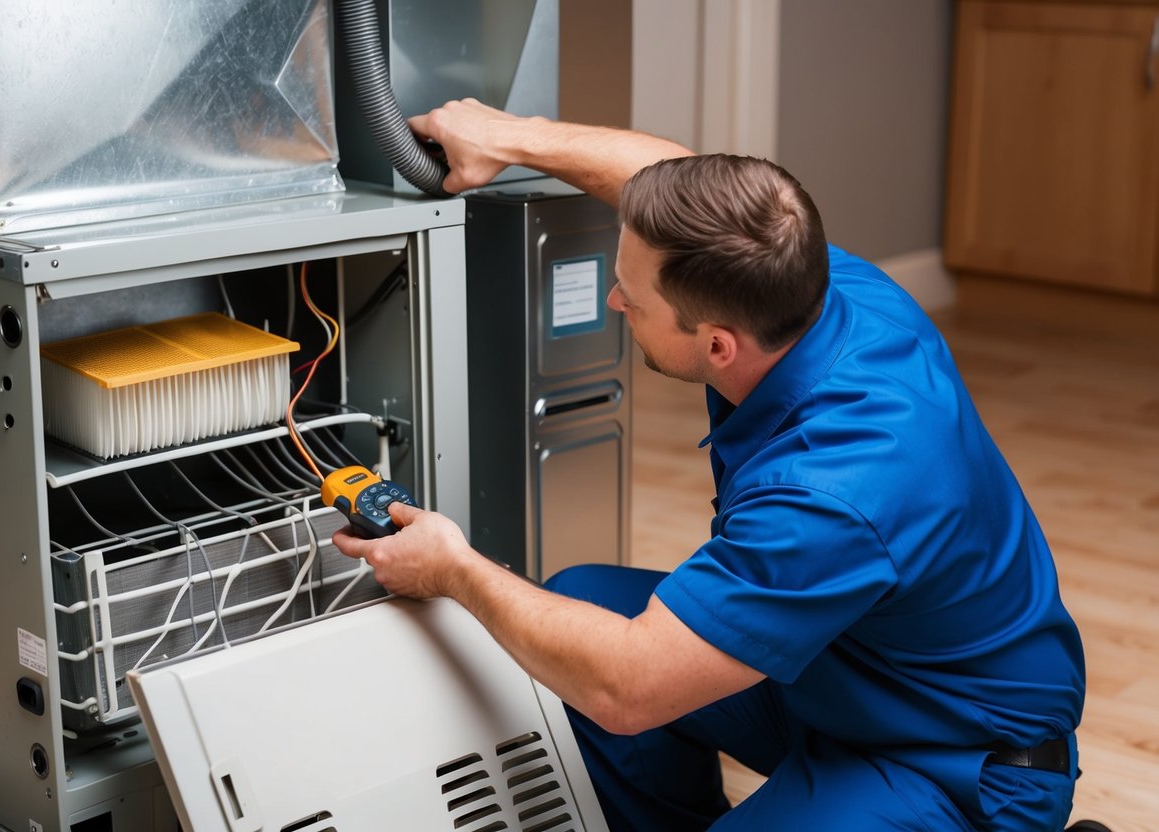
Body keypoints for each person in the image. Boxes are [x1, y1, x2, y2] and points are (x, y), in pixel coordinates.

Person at [332, 99, 1086, 831]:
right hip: (840, 672)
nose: (614, 297)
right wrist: (509, 136)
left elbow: (626, 687)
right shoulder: (812, 284)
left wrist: (454, 568)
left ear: (717, 345)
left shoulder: (832, 491)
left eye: (634, 295)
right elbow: (673, 178)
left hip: (956, 760)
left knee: (605, 671)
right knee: (582, 600)